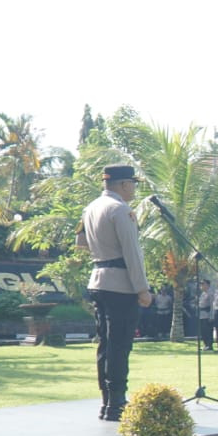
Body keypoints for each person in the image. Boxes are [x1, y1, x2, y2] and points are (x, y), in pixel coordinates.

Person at [76, 164, 153, 421]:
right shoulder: (120, 209)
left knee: (106, 344)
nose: (134, 189)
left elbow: (81, 243)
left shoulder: (91, 207)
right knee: (120, 345)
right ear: (123, 184)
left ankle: (107, 400)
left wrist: (103, 250)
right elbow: (132, 252)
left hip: (98, 279)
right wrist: (142, 288)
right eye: (132, 184)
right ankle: (117, 402)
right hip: (120, 284)